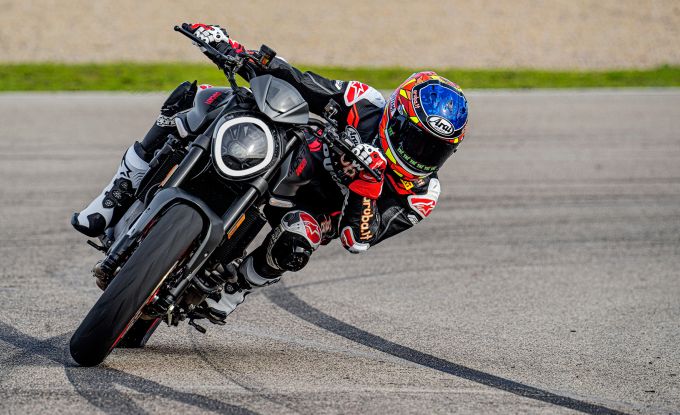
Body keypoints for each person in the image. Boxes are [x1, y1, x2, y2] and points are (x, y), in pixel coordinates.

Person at [72, 23, 469, 324]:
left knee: (299, 239)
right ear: (395, 117)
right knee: (207, 97)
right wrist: (236, 51)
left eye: (433, 150)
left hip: (317, 208)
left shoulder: (422, 194)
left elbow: (359, 239)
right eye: (416, 141)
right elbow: (302, 82)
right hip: (297, 157)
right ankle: (118, 190)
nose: (420, 155)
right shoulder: (363, 101)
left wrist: (366, 186)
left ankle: (236, 288)